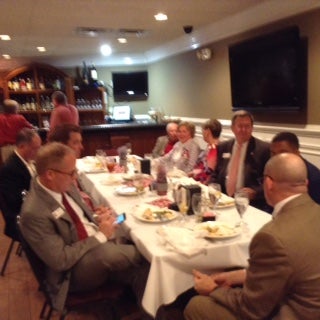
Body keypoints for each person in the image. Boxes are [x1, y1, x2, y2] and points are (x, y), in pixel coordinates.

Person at [184, 153, 320, 320]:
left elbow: (251, 309)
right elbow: (293, 265)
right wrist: (241, 275)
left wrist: (212, 289)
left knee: (197, 305)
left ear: (269, 183)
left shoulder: (271, 237)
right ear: (305, 183)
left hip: (295, 313)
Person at [19, 142, 150, 316]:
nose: (75, 177)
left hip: (89, 244)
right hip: (71, 273)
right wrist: (100, 236)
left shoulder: (62, 183)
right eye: (71, 172)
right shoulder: (34, 212)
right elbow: (61, 260)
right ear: (50, 174)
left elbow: (79, 218)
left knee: (141, 266)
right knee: (142, 254)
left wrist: (97, 217)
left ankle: (141, 309)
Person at [210, 110, 270, 210]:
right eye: (240, 126)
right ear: (233, 128)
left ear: (252, 128)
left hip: (249, 205)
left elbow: (269, 182)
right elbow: (216, 173)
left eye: (247, 126)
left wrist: (255, 192)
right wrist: (212, 187)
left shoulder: (263, 149)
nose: (243, 130)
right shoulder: (223, 147)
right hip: (224, 201)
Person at [0, 128, 42, 236]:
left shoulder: (28, 161)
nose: (38, 151)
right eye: (35, 148)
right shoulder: (10, 169)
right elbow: (17, 201)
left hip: (32, 208)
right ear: (22, 146)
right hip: (21, 218)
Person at [270, 131, 320, 204]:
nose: (277, 158)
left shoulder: (313, 176)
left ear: (297, 153)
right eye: (273, 153)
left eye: (283, 152)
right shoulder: (275, 168)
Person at [191, 119, 222, 184]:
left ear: (207, 131)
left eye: (202, 131)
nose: (202, 133)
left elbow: (209, 173)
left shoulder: (214, 148)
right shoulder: (210, 146)